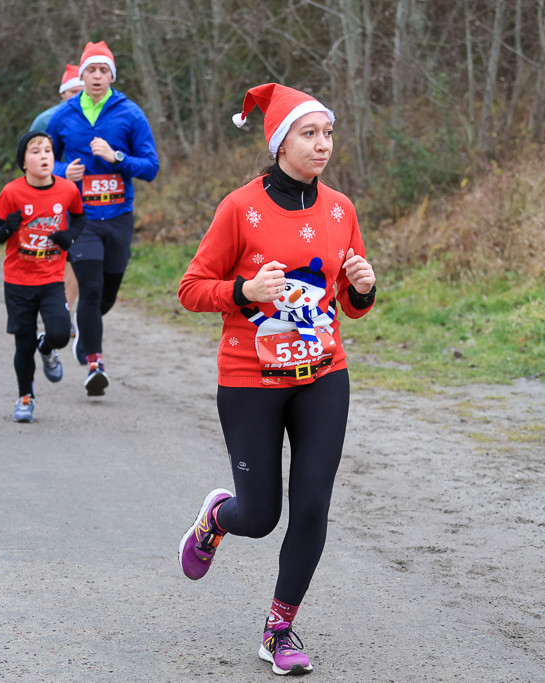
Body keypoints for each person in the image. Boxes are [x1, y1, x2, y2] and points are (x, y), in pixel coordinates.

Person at [176, 83, 377, 676]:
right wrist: (243, 291)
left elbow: (348, 297)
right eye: (310, 134)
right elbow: (191, 289)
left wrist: (362, 287)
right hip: (249, 380)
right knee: (261, 516)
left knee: (312, 504)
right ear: (280, 140)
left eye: (328, 134)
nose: (323, 146)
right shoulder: (240, 208)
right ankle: (218, 517)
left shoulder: (341, 209)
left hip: (323, 375)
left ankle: (279, 629)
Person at [46, 40, 159, 397]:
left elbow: (151, 167)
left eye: (103, 70)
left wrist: (117, 158)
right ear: (82, 75)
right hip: (82, 218)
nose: (97, 76)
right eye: (91, 70)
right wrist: (65, 171)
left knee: (106, 293)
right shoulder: (63, 116)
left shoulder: (130, 113)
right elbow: (43, 161)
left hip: (119, 216)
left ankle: (85, 332)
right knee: (91, 289)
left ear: (112, 75)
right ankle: (95, 363)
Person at [0, 131, 86, 422]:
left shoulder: (68, 189)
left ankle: (48, 349)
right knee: (23, 343)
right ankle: (25, 397)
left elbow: (79, 217)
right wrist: (9, 227)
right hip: (18, 279)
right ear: (23, 162)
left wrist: (69, 236)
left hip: (51, 277)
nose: (43, 156)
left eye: (48, 151)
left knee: (59, 333)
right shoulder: (12, 192)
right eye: (35, 151)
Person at [32, 64, 86, 331]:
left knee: (75, 257)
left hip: (81, 201)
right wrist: (64, 171)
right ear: (62, 94)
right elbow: (31, 161)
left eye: (81, 91)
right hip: (48, 198)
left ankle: (67, 309)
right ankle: (44, 304)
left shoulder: (94, 119)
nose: (77, 96)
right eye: (72, 91)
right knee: (51, 257)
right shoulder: (45, 121)